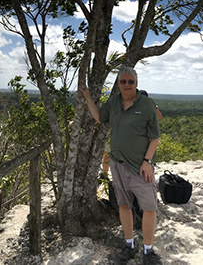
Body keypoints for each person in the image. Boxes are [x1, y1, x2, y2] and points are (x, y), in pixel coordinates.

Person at [80, 66, 162, 265]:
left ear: (136, 83)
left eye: (130, 82)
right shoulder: (114, 102)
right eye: (123, 81)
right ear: (118, 84)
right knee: (124, 206)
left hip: (140, 166)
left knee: (149, 208)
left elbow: (155, 137)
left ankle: (148, 250)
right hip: (118, 165)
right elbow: (99, 117)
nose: (127, 85)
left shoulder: (147, 104)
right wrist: (87, 96)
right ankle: (129, 245)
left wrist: (147, 162)